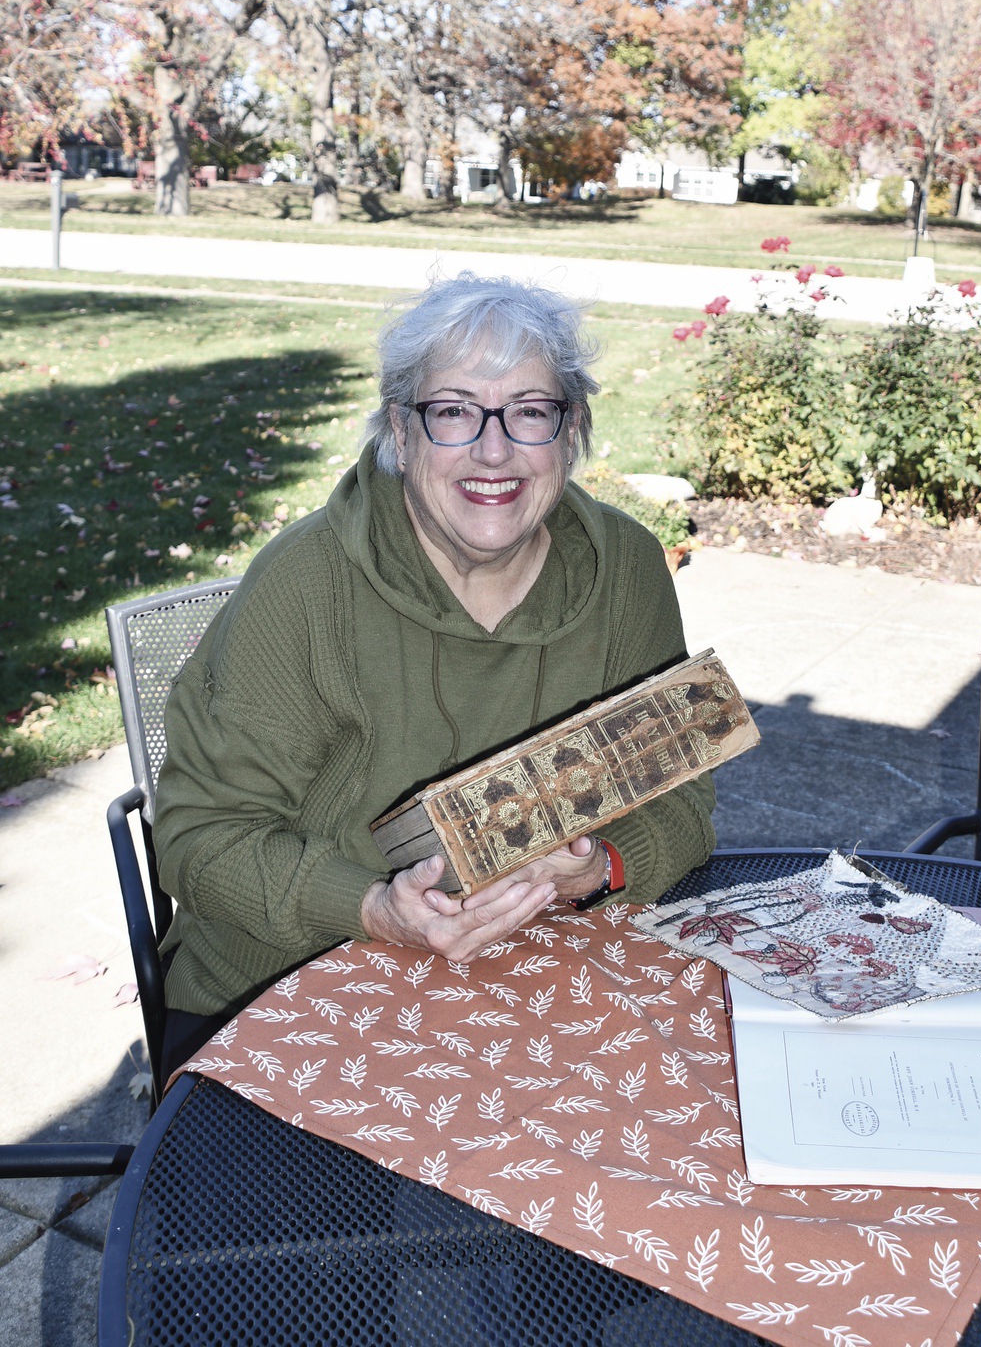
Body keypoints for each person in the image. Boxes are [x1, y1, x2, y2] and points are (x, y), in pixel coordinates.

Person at [154, 273, 715, 1078]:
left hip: (539, 979)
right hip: (288, 988)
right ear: (402, 432)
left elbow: (684, 793)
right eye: (453, 412)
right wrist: (376, 908)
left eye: (530, 412)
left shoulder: (623, 568)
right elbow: (198, 837)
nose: (495, 451)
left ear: (572, 431)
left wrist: (600, 868)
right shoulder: (305, 584)